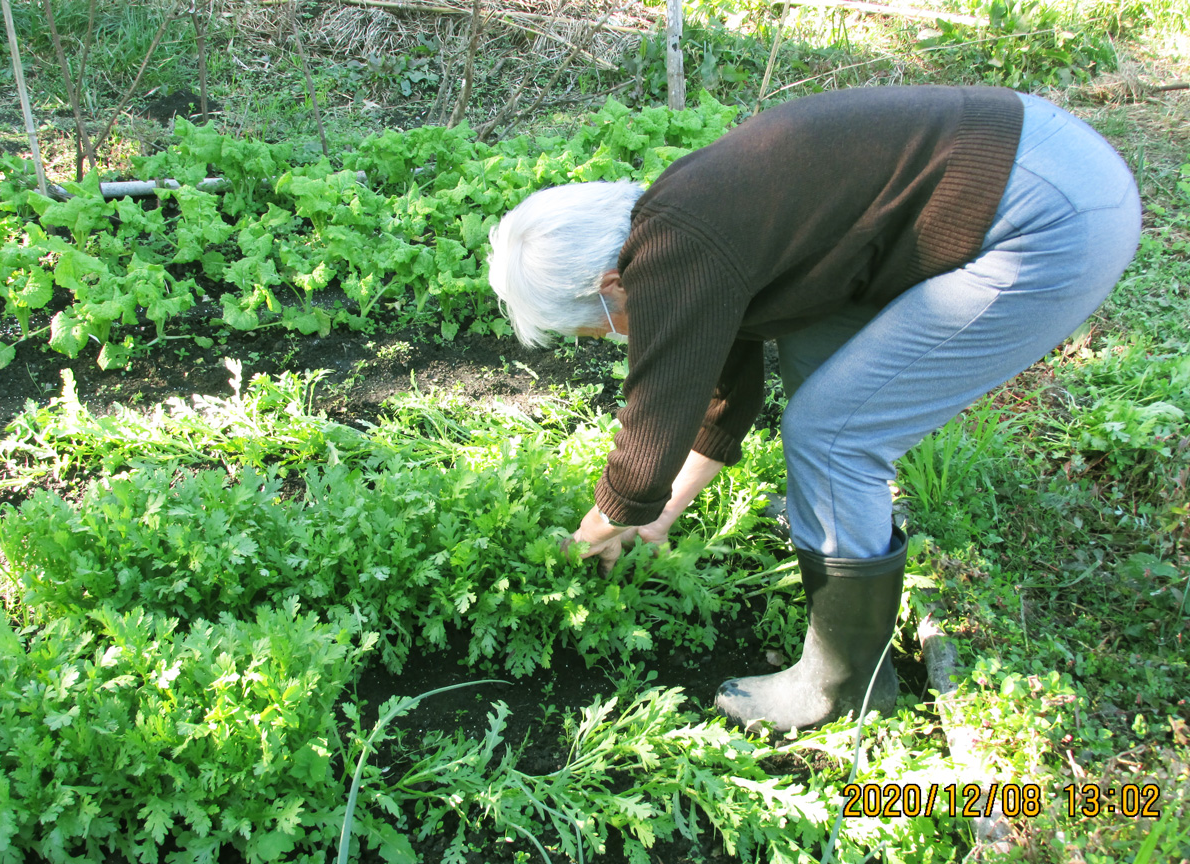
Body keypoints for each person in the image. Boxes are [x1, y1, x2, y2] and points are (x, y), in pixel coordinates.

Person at [486, 85, 1141, 734]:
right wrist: (659, 517)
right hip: (1041, 152)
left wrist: (592, 532)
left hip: (1048, 217)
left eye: (600, 331)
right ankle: (840, 560)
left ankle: (840, 688)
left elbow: (650, 435)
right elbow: (721, 398)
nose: (621, 339)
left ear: (609, 288)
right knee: (822, 376)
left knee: (832, 436)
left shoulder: (672, 257)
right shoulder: (683, 223)